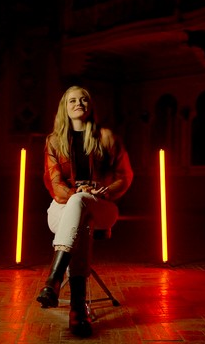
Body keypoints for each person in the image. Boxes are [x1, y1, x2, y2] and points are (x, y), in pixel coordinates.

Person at [36, 85, 133, 337]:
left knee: (82, 204)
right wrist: (77, 194)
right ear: (64, 109)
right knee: (80, 218)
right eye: (72, 101)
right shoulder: (54, 141)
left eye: (83, 99)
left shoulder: (107, 137)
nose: (78, 103)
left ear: (90, 106)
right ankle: (77, 310)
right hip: (62, 208)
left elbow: (125, 175)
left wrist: (103, 190)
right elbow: (54, 183)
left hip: (103, 206)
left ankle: (53, 281)